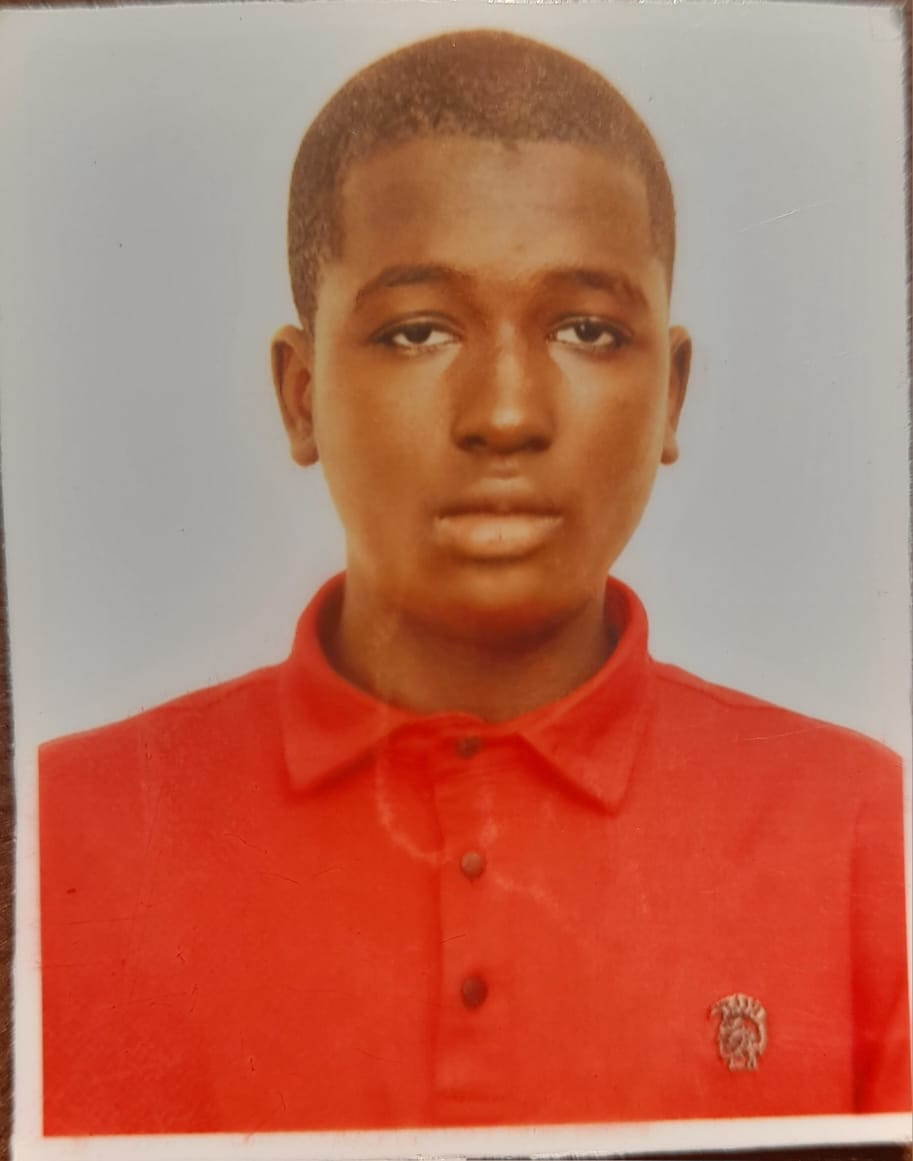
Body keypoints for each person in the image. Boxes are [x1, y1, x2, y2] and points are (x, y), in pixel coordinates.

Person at [38, 28, 911, 1136]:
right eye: (417, 332)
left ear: (671, 395)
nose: (505, 413)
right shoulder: (65, 834)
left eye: (588, 329)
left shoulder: (861, 831)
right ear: (300, 396)